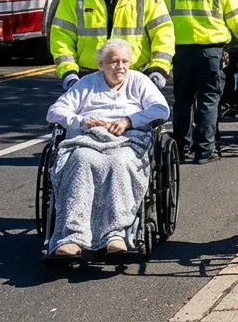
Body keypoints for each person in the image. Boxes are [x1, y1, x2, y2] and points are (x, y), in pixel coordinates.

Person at [44, 38, 171, 257]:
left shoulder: (139, 82)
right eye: (113, 61)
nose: (119, 67)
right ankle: (72, 236)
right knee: (81, 160)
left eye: (124, 61)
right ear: (101, 64)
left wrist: (129, 120)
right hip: (89, 139)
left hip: (127, 139)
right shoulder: (87, 84)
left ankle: (116, 234)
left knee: (119, 162)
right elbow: (55, 112)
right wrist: (82, 122)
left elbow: (161, 109)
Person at [164, 0, 238, 164]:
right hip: (211, 53)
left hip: (180, 53)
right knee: (208, 100)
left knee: (182, 101)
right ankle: (204, 151)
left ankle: (180, 148)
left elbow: (161, 19)